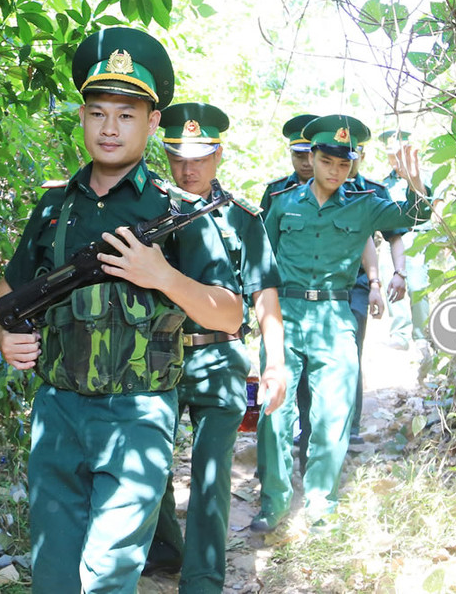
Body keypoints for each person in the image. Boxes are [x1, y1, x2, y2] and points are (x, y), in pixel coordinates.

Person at [0, 28, 243, 593]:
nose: (109, 127)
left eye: (126, 115)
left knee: (108, 573)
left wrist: (164, 276)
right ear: (81, 116)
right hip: (56, 412)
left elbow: (229, 314)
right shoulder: (54, 206)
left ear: (152, 123)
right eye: (98, 112)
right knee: (53, 574)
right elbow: (8, 291)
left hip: (138, 411)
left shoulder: (178, 211)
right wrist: (3, 336)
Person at [252, 114, 430, 532]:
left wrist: (415, 180)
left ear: (353, 164)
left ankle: (320, 504)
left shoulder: (365, 205)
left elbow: (413, 216)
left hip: (335, 318)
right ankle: (273, 503)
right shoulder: (282, 204)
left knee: (332, 416)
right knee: (274, 413)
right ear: (311, 157)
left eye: (343, 163)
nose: (335, 171)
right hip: (288, 316)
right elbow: (263, 267)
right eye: (327, 161)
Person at [144, 102, 287, 593]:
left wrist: (276, 363)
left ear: (218, 155)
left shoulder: (243, 218)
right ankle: (163, 551)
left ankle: (203, 581)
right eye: (179, 157)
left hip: (220, 356)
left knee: (210, 475)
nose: (189, 168)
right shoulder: (145, 206)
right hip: (153, 355)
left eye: (200, 157)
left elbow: (265, 294)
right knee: (150, 462)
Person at [378, 130, 435, 355]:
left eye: (398, 150)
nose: (394, 157)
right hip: (392, 237)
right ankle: (399, 334)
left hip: (418, 236)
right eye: (390, 152)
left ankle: (422, 335)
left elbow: (430, 206)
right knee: (391, 281)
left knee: (419, 284)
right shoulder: (383, 183)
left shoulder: (423, 174)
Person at [260, 114, 318, 214]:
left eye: (312, 156)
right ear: (291, 153)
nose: (306, 163)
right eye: (299, 156)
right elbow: (263, 228)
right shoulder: (276, 189)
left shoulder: (339, 189)